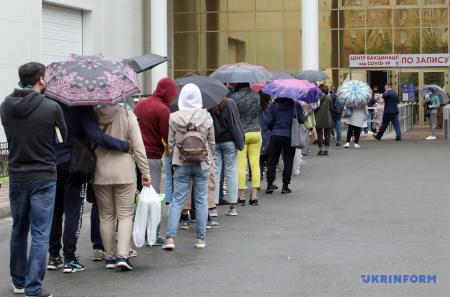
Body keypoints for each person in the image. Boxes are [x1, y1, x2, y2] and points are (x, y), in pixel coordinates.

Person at [1, 62, 67, 297]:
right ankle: (33, 288)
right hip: (43, 176)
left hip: (17, 175)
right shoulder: (51, 107)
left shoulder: (6, 105)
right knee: (40, 233)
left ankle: (18, 283)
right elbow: (63, 137)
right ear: (41, 79)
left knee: (19, 229)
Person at [48, 106, 131, 273]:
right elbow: (96, 136)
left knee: (55, 211)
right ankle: (69, 258)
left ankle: (54, 257)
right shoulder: (82, 108)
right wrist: (123, 145)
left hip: (51, 162)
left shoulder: (49, 104)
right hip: (75, 162)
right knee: (73, 210)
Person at [92, 105, 151, 271]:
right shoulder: (127, 114)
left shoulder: (93, 116)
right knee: (125, 214)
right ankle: (123, 256)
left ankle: (109, 257)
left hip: (100, 171)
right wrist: (145, 172)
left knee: (106, 215)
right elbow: (138, 146)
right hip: (125, 172)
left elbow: (89, 141)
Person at [163, 83, 215, 250]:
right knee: (201, 200)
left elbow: (170, 143)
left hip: (181, 161)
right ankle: (200, 239)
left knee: (177, 200)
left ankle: (170, 238)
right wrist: (208, 156)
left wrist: (175, 157)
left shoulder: (174, 117)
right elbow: (212, 142)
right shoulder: (206, 117)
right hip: (201, 162)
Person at [134, 78, 178, 194]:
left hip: (135, 154)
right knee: (151, 195)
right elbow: (167, 136)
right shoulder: (163, 110)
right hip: (152, 156)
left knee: (138, 193)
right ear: (167, 92)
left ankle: (137, 213)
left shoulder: (140, 104)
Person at [210, 97, 244, 216]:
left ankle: (213, 207)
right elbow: (235, 123)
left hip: (215, 141)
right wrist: (240, 141)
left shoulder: (210, 105)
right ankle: (233, 206)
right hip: (229, 141)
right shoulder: (230, 103)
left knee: (215, 172)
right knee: (231, 172)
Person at [229, 83, 261, 205]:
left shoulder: (234, 97)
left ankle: (241, 196)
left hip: (241, 133)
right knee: (255, 164)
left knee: (241, 165)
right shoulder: (256, 96)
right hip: (256, 131)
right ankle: (254, 195)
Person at [265, 97, 304, 194]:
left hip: (275, 135)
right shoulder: (296, 105)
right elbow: (302, 120)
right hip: (289, 136)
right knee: (288, 160)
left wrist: (274, 128)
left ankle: (270, 184)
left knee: (272, 160)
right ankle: (285, 186)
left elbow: (269, 122)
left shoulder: (274, 105)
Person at [315, 85, 333, 156]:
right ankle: (326, 150)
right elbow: (331, 108)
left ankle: (320, 150)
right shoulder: (329, 97)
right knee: (327, 134)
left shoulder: (317, 98)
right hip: (327, 118)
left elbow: (314, 108)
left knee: (319, 134)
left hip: (318, 118)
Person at [259, 92, 272, 180]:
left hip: (259, 134)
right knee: (270, 160)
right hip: (269, 135)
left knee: (260, 159)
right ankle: (270, 181)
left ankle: (258, 177)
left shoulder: (258, 109)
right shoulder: (270, 108)